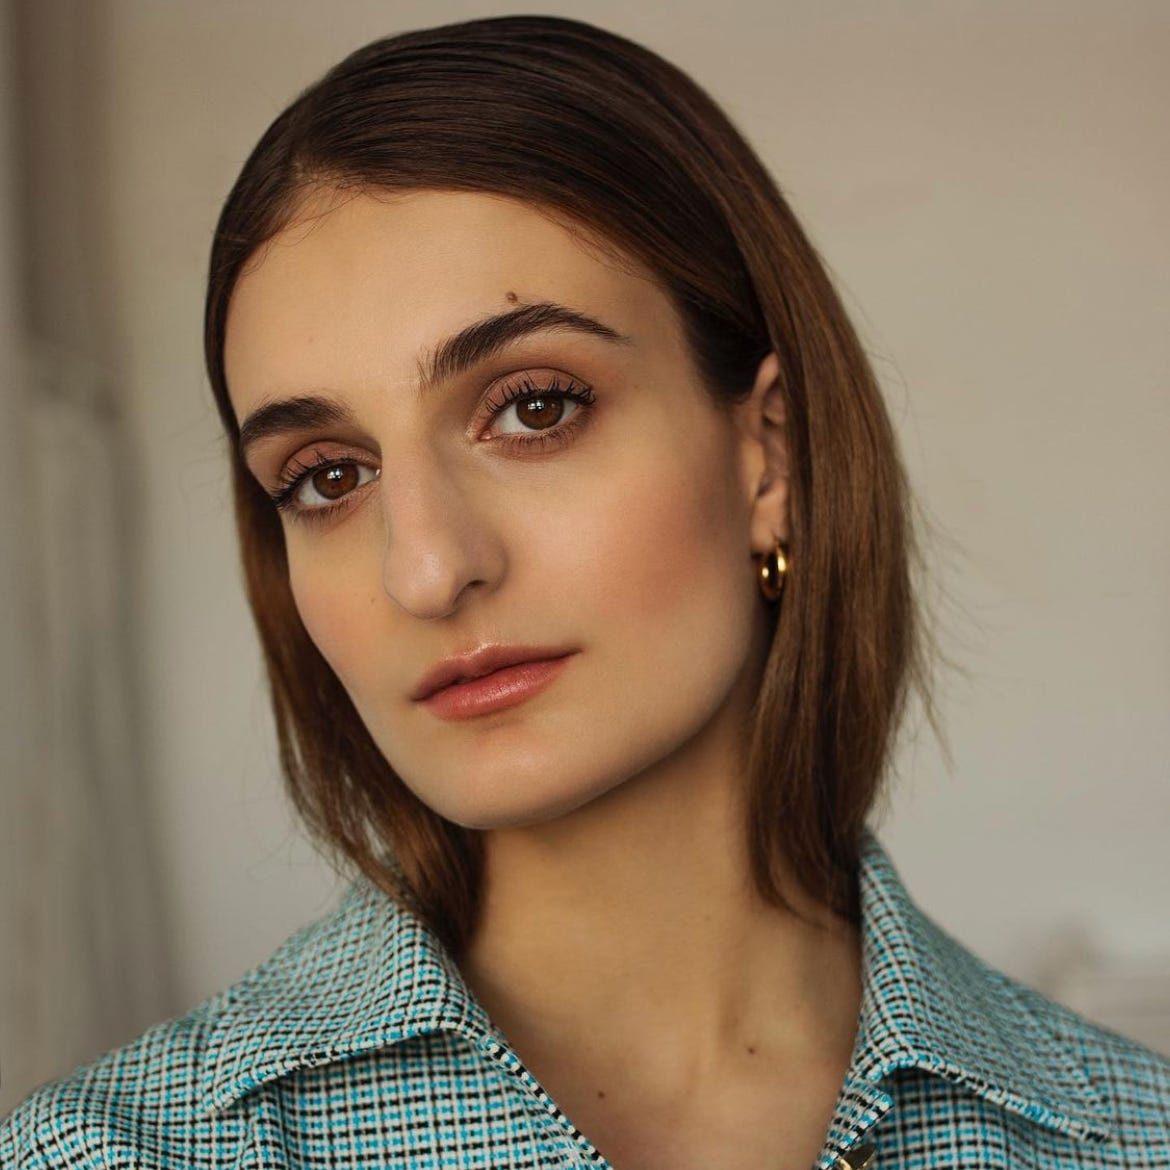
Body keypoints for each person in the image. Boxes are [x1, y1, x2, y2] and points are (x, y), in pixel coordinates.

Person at [2, 13, 1167, 1170]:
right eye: (329, 477)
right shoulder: (112, 1155)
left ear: (771, 458)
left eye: (534, 407)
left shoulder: (1132, 1135)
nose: (427, 569)